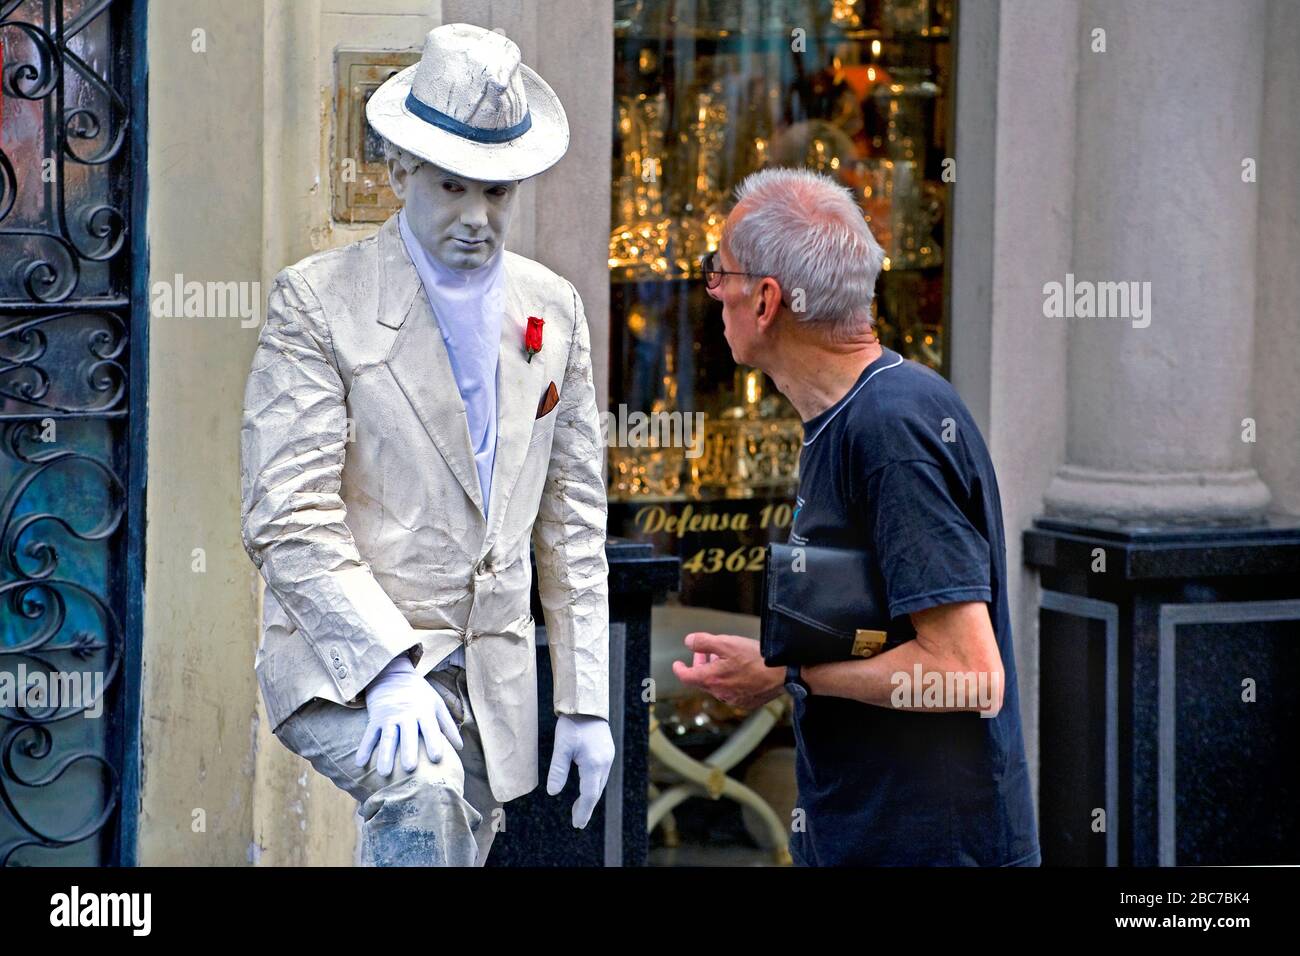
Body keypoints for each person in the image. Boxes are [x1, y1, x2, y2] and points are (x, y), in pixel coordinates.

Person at [239, 22, 613, 866]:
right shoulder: (319, 301)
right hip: (346, 661)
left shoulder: (552, 309)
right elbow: (285, 513)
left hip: (496, 680)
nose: (478, 219)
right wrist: (387, 668)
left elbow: (572, 517)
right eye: (452, 188)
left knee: (457, 836)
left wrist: (587, 699)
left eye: (498, 192)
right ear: (400, 169)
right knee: (422, 794)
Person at [674, 167, 1041, 866]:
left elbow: (967, 672)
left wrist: (790, 675)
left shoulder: (889, 431)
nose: (712, 290)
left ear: (767, 300)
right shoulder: (852, 415)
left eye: (719, 273)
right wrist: (778, 664)